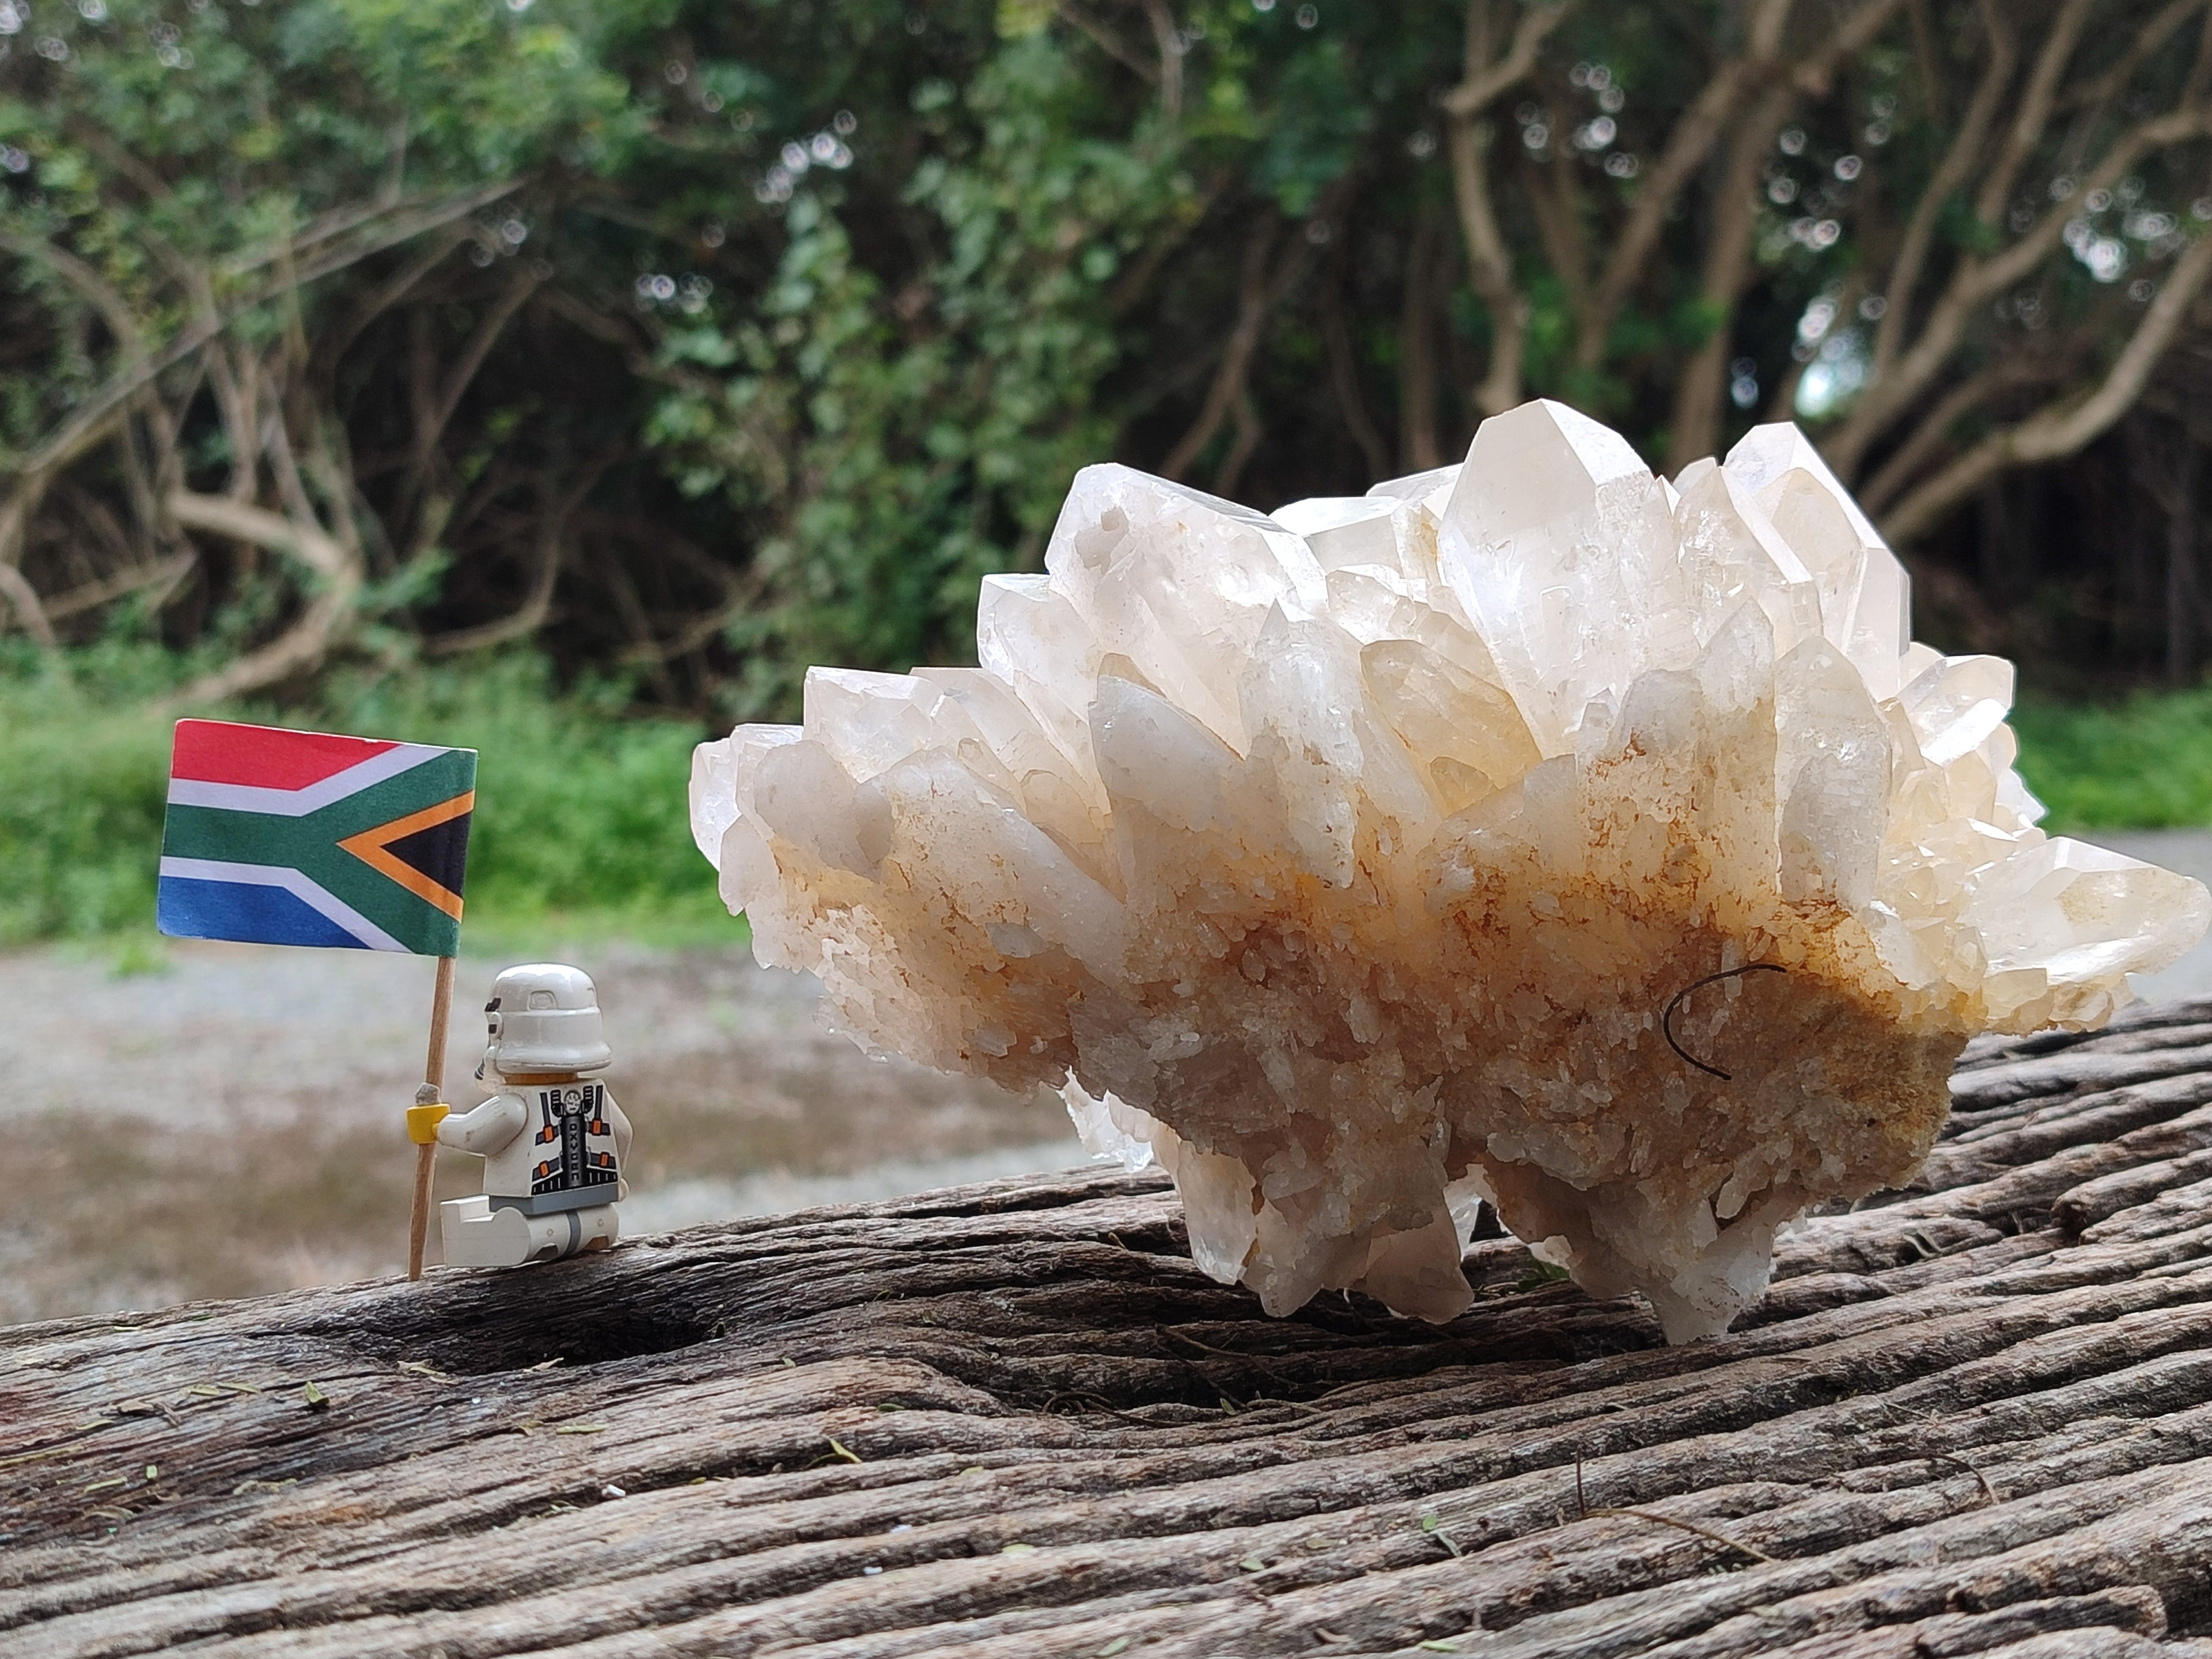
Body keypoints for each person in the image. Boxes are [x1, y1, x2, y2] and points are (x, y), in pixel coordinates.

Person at [430, 963, 631, 1267]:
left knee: (516, 1233)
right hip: (598, 1211)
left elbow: (474, 1135)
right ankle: (588, 1231)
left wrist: (436, 1126)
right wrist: (617, 1179)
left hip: (529, 1218)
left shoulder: (516, 1104)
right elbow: (623, 1132)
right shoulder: (596, 1095)